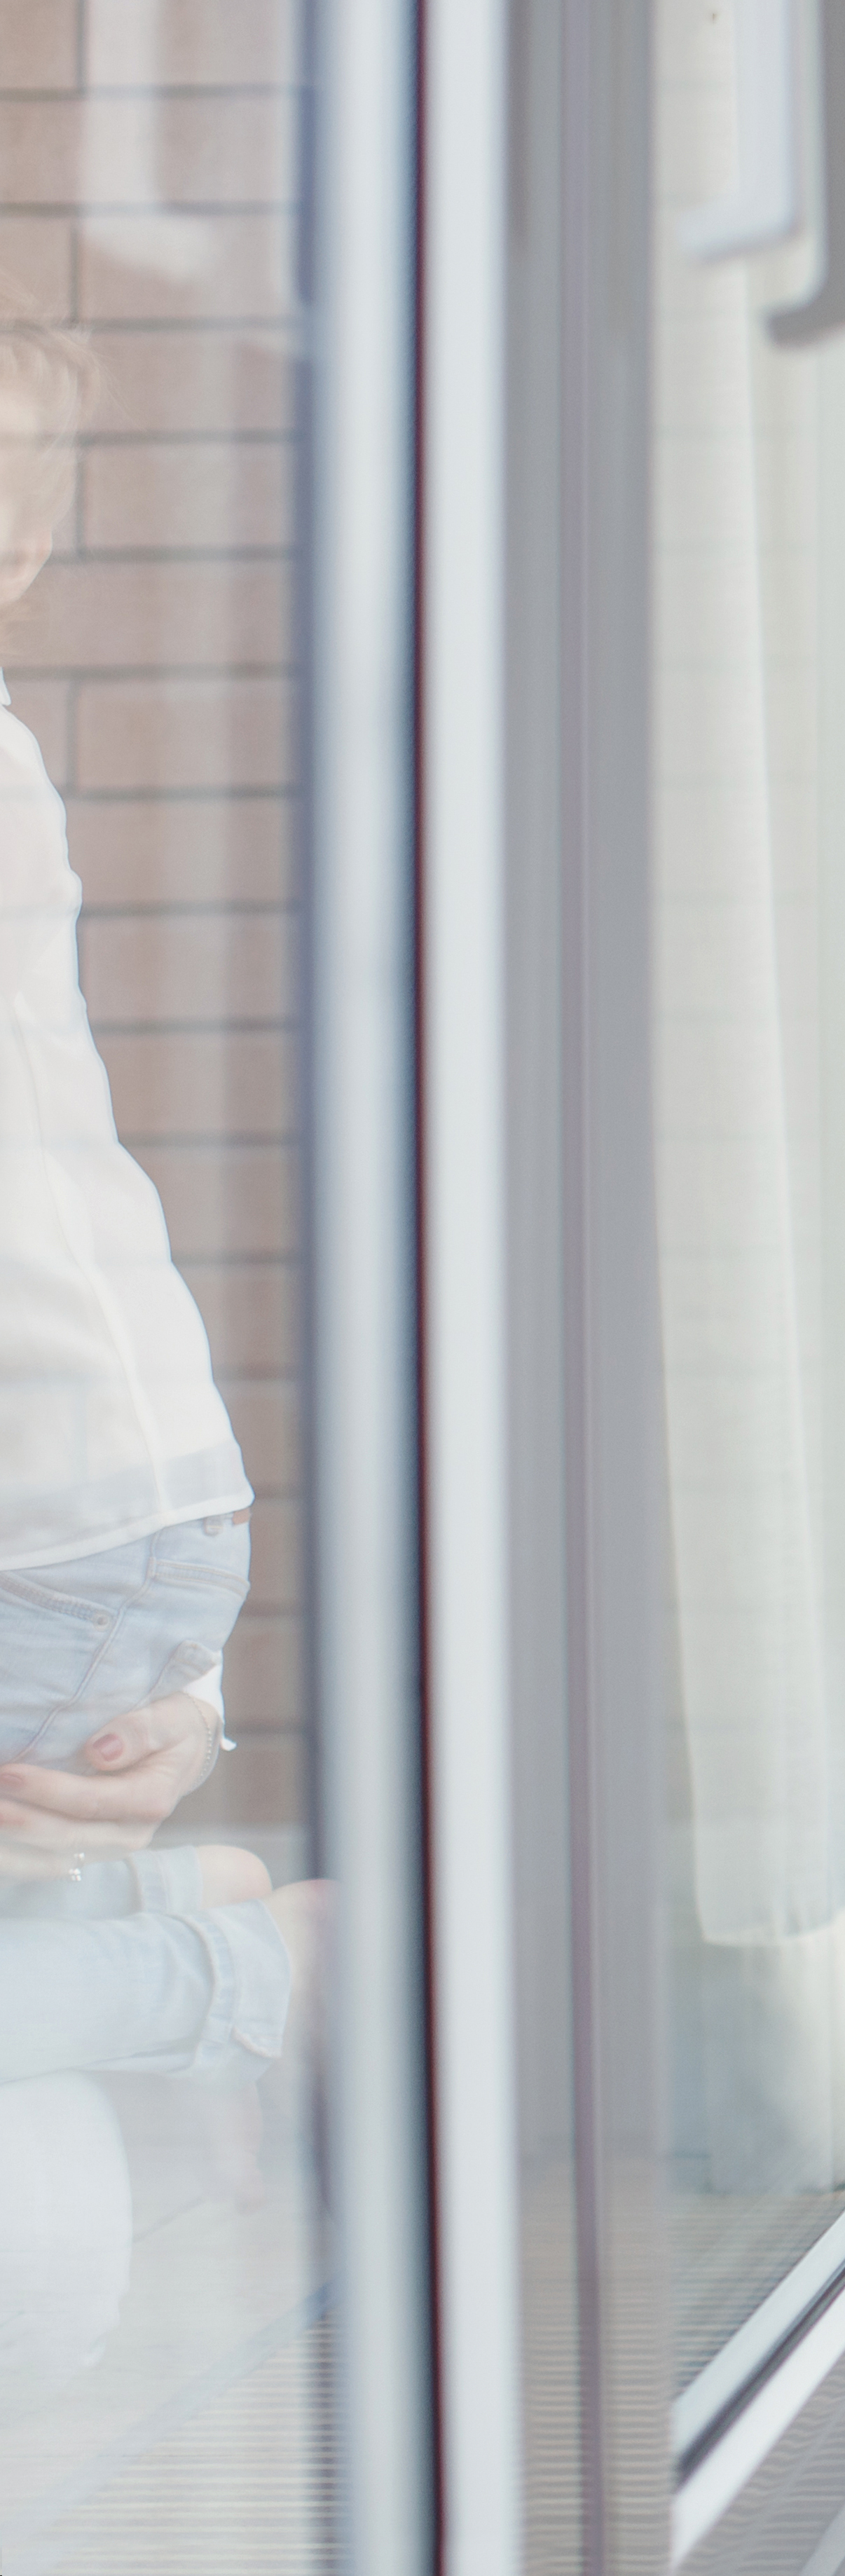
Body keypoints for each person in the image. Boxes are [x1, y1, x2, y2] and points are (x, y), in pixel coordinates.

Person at [0, 314, 305, 2099]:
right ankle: (198, 1939)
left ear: (21, 553)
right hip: (101, 1506)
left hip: (56, 1519)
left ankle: (234, 1965)